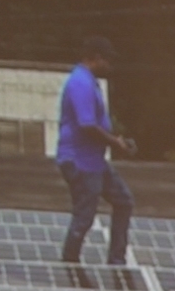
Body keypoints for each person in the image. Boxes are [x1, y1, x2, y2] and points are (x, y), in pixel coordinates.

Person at [57, 36, 137, 265]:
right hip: (79, 161)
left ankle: (117, 259)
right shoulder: (80, 83)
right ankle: (69, 261)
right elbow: (86, 125)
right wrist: (115, 143)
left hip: (94, 161)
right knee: (84, 216)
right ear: (97, 57)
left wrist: (115, 140)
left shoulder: (89, 81)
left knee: (124, 201)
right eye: (108, 60)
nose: (110, 66)